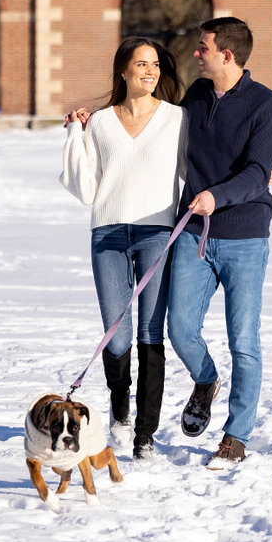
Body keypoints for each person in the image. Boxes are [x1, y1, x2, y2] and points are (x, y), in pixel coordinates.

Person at [59, 36, 188, 460]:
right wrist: (76, 133)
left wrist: (253, 170)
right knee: (117, 336)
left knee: (151, 333)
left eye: (155, 65)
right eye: (141, 64)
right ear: (123, 71)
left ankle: (145, 434)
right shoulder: (98, 122)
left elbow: (199, 166)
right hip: (108, 234)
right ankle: (120, 408)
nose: (150, 72)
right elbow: (86, 187)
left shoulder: (177, 119)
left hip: (156, 233)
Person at [166, 16, 272, 470]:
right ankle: (206, 380)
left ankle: (235, 436)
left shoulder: (265, 104)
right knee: (180, 330)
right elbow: (151, 122)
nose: (196, 53)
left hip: (245, 237)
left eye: (202, 47)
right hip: (193, 233)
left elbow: (257, 172)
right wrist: (90, 116)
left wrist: (218, 195)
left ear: (226, 55)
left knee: (244, 341)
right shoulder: (195, 96)